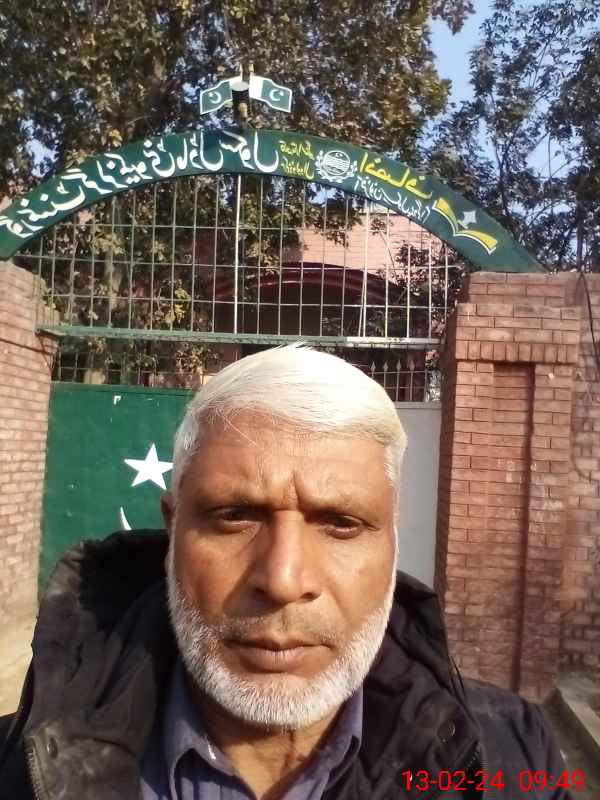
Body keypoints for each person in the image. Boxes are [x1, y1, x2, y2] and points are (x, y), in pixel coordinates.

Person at [0, 343, 570, 800]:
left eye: (341, 523)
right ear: (173, 535)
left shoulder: (511, 760)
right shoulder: (19, 771)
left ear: (392, 545)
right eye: (235, 516)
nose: (282, 580)